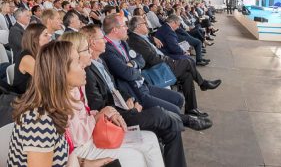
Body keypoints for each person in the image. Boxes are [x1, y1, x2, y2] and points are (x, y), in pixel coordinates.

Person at [60, 32, 165, 167]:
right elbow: (77, 137)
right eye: (86, 49)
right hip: (83, 146)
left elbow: (107, 95)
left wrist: (107, 112)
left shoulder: (81, 78)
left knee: (150, 137)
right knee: (139, 154)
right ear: (73, 57)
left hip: (94, 134)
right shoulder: (69, 88)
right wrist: (101, 115)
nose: (90, 51)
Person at [101, 14, 209, 132]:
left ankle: (178, 122)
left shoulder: (122, 43)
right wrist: (136, 69)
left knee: (179, 97)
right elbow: (127, 74)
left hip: (143, 84)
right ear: (115, 30)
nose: (126, 28)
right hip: (135, 92)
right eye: (123, 26)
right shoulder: (108, 50)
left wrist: (134, 65)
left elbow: (140, 59)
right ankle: (183, 122)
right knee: (187, 65)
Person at [128, 16, 221, 116]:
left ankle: (191, 108)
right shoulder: (136, 41)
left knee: (187, 75)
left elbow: (150, 46)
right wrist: (168, 59)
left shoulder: (142, 37)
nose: (147, 25)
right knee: (187, 62)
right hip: (157, 70)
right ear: (137, 27)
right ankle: (203, 84)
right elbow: (152, 59)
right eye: (144, 23)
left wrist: (152, 38)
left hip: (162, 64)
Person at [7, 41, 75, 166]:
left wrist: (86, 163)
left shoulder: (53, 105)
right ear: (60, 71)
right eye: (77, 61)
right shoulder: (39, 120)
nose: (83, 65)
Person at [12, 23, 50, 94]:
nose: (49, 37)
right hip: (24, 98)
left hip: (36, 94)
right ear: (35, 39)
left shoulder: (40, 53)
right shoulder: (26, 58)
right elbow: (45, 80)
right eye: (45, 35)